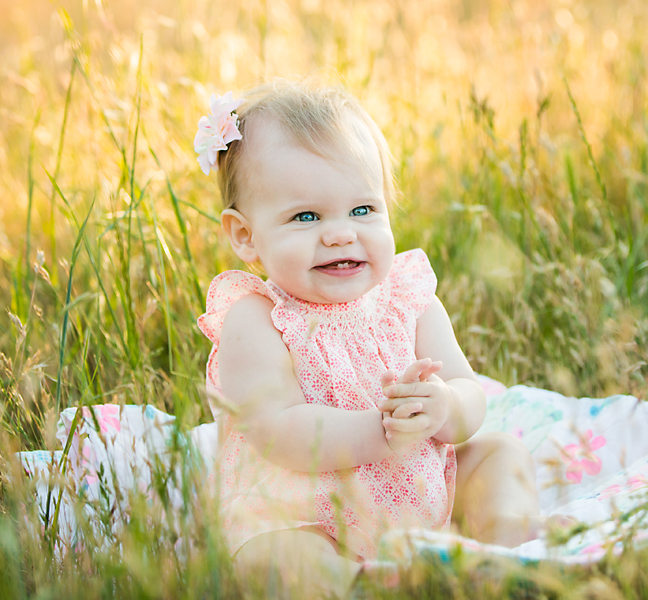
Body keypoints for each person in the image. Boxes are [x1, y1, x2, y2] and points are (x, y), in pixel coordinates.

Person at [195, 79, 548, 598]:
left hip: (419, 492)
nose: (341, 233)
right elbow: (280, 429)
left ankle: (503, 561)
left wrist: (445, 407)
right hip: (308, 512)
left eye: (363, 210)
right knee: (276, 556)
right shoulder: (256, 317)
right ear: (245, 234)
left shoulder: (408, 298)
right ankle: (360, 587)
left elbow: (470, 390)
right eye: (306, 216)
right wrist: (379, 433)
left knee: (500, 456)